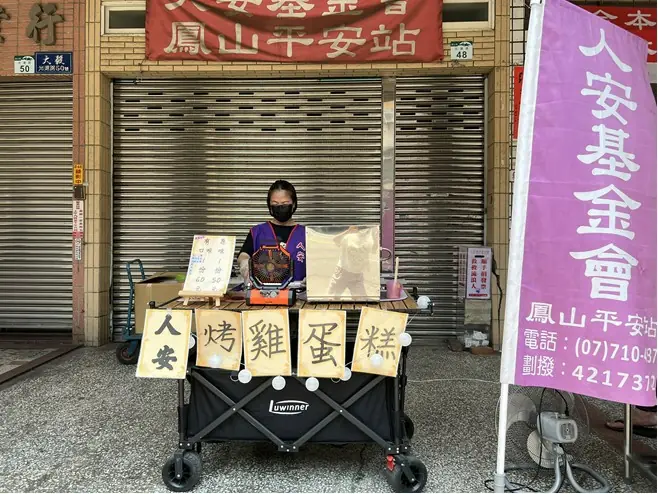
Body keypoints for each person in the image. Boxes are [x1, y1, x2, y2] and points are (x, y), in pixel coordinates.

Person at [237, 180, 306, 285]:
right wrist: (245, 265)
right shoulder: (257, 232)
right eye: (275, 204)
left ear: (294, 204)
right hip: (263, 292)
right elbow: (243, 255)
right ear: (269, 206)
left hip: (299, 292)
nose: (280, 207)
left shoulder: (306, 234)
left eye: (285, 204)